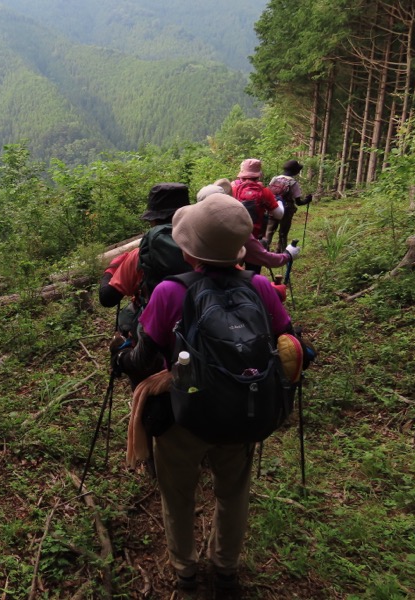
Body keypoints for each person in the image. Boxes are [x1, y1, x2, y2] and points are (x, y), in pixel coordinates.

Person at [111, 193, 293, 597]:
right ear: (242, 248)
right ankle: (226, 570)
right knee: (233, 493)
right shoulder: (261, 286)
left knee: (178, 494)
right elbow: (288, 340)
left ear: (189, 252)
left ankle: (186, 572)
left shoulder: (171, 292)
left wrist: (122, 352)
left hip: (183, 414)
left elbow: (143, 358)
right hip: (245, 408)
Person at [99, 182, 191, 351]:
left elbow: (107, 298)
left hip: (160, 335)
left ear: (153, 219)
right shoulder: (205, 244)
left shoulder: (141, 254)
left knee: (127, 316)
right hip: (201, 326)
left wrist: (111, 269)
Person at [198, 183, 299, 274]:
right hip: (231, 275)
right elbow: (279, 215)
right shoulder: (235, 227)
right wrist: (288, 255)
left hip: (198, 277)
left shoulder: (193, 226)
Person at [231, 159, 283, 273]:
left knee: (232, 273)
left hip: (234, 239)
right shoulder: (265, 192)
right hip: (255, 239)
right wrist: (279, 202)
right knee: (253, 275)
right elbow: (279, 215)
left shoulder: (232, 189)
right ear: (258, 175)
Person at [264, 159, 313, 253]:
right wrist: (307, 200)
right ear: (295, 171)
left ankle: (264, 250)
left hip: (273, 206)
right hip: (286, 209)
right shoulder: (293, 183)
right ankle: (281, 252)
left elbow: (269, 192)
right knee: (283, 232)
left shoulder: (275, 179)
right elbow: (298, 202)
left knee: (269, 230)